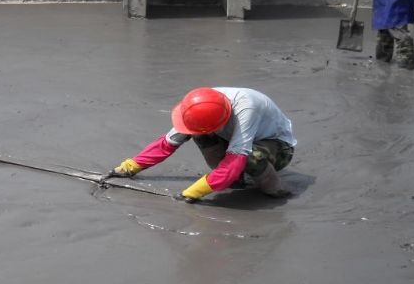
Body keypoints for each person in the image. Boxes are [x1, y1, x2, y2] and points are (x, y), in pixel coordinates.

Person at [109, 87, 296, 203]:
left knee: (251, 158)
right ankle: (232, 181)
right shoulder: (201, 103)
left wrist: (194, 192)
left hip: (278, 146)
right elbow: (167, 143)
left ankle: (274, 189)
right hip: (232, 137)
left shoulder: (247, 109)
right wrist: (129, 167)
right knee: (199, 134)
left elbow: (236, 159)